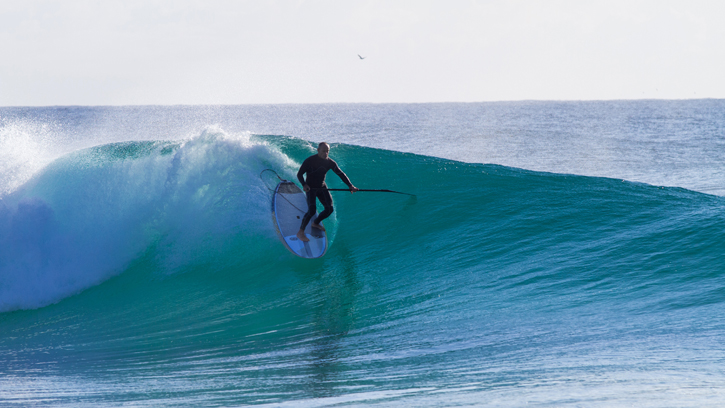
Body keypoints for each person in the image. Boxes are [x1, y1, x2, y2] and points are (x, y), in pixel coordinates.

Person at [296, 142, 358, 242]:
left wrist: (350, 186)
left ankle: (315, 223)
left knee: (329, 209)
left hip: (322, 187)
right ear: (318, 150)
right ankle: (300, 232)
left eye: (327, 151)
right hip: (311, 188)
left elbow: (341, 174)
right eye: (323, 151)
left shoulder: (330, 162)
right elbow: (299, 174)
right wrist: (304, 185)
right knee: (312, 210)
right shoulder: (310, 161)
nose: (325, 153)